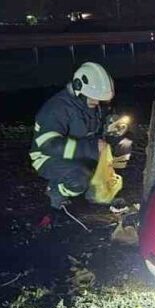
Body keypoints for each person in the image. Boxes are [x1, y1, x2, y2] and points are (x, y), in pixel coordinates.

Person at [30, 62, 132, 218]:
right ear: (78, 88)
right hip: (47, 157)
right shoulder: (57, 108)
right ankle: (56, 192)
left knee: (122, 147)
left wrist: (112, 126)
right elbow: (49, 145)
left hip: (80, 151)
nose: (97, 103)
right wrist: (91, 148)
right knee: (79, 178)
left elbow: (97, 126)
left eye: (100, 100)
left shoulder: (91, 104)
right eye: (94, 98)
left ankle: (98, 191)